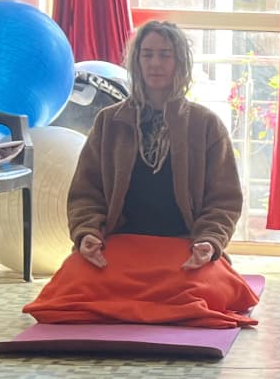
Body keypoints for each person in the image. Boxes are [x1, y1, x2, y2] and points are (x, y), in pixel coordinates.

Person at [67, 20, 243, 270]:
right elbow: (86, 192)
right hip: (120, 244)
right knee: (69, 294)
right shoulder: (109, 122)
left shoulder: (206, 125)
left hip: (186, 245)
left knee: (196, 299)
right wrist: (88, 233)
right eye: (147, 54)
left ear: (179, 62)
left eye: (165, 55)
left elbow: (224, 200)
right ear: (137, 61)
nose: (155, 63)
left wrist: (209, 240)